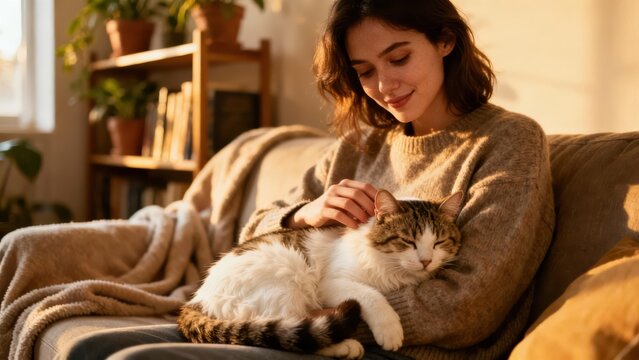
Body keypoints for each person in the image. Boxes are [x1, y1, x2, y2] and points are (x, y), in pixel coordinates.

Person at [67, 0, 554, 359]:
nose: (384, 86)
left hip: (397, 345)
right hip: (302, 316)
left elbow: (470, 304)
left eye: (399, 58)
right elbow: (252, 232)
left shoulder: (509, 141)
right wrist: (304, 214)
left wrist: (331, 318)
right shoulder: (361, 145)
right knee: (92, 347)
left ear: (445, 41)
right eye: (364, 71)